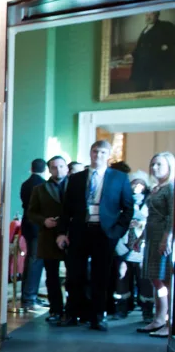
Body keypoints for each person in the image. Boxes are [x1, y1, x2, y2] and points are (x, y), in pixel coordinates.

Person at [56, 140, 134, 331]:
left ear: (108, 155)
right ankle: (73, 314)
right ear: (90, 153)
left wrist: (116, 232)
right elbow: (66, 209)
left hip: (105, 232)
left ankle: (98, 316)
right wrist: (61, 233)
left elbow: (128, 208)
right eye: (94, 151)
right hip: (79, 231)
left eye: (102, 152)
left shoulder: (119, 178)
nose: (97, 156)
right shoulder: (76, 178)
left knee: (101, 276)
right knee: (75, 275)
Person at [25, 156, 70, 324]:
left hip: (70, 235)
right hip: (48, 236)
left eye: (61, 166)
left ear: (66, 168)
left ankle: (73, 310)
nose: (58, 170)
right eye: (54, 167)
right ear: (49, 169)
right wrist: (43, 220)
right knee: (51, 276)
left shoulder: (75, 186)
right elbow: (31, 212)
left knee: (73, 275)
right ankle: (56, 309)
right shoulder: (39, 189)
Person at [140, 152, 174, 337]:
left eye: (159, 164)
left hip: (163, 236)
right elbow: (150, 216)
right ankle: (159, 318)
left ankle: (169, 323)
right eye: (153, 164)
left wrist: (167, 238)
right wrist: (140, 238)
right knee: (156, 280)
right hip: (152, 236)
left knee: (167, 281)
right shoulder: (156, 188)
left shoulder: (171, 188)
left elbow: (171, 215)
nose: (154, 168)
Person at [116, 173, 149, 321]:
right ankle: (123, 306)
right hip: (124, 243)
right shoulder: (124, 200)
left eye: (140, 184)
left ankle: (147, 308)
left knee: (144, 277)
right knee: (122, 275)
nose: (137, 187)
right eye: (134, 184)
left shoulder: (150, 201)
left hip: (142, 245)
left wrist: (141, 224)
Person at [20, 158, 47, 311]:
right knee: (35, 261)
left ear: (31, 168)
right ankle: (29, 297)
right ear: (44, 169)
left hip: (27, 224)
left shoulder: (25, 184)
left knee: (31, 260)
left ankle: (28, 295)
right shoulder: (43, 184)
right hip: (38, 226)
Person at [130, 11, 175, 92]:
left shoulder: (165, 26)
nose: (148, 17)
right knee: (140, 89)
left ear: (157, 15)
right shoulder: (145, 30)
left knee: (156, 89)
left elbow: (172, 42)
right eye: (147, 14)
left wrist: (166, 47)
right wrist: (132, 55)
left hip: (157, 66)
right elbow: (139, 48)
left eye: (151, 14)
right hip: (142, 66)